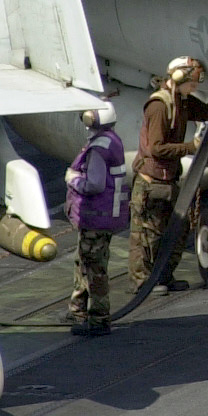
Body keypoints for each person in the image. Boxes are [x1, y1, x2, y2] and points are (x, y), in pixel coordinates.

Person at [131, 57, 208, 292]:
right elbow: (156, 148)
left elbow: (205, 112)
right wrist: (190, 147)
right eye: (192, 82)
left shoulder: (182, 101)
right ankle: (142, 282)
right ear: (179, 79)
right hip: (151, 181)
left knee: (178, 229)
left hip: (169, 179)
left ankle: (164, 276)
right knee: (147, 235)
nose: (195, 87)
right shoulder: (159, 106)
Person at [66, 103, 128, 336]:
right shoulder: (112, 140)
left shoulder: (98, 149)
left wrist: (72, 179)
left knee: (93, 268)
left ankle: (99, 319)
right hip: (102, 219)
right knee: (84, 262)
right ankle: (79, 310)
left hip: (95, 219)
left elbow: (94, 184)